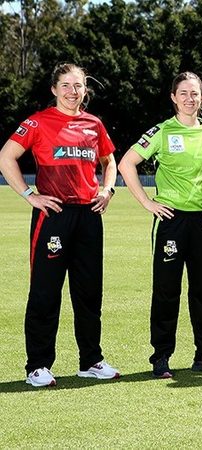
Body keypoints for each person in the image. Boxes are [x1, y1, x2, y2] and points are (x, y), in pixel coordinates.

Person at [0, 63, 120, 387]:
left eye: (78, 85)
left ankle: (91, 360)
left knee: (89, 292)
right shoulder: (38, 122)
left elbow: (109, 161)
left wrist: (107, 190)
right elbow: (6, 157)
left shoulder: (94, 124)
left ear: (85, 89)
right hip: (53, 214)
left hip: (89, 214)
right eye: (65, 85)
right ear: (54, 89)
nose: (72, 91)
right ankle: (38, 365)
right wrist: (30, 195)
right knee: (45, 291)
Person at [119, 72, 202, 378]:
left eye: (195, 93)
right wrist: (148, 203)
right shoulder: (162, 131)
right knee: (166, 290)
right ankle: (161, 356)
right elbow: (126, 163)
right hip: (171, 220)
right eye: (183, 93)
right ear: (173, 97)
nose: (189, 99)